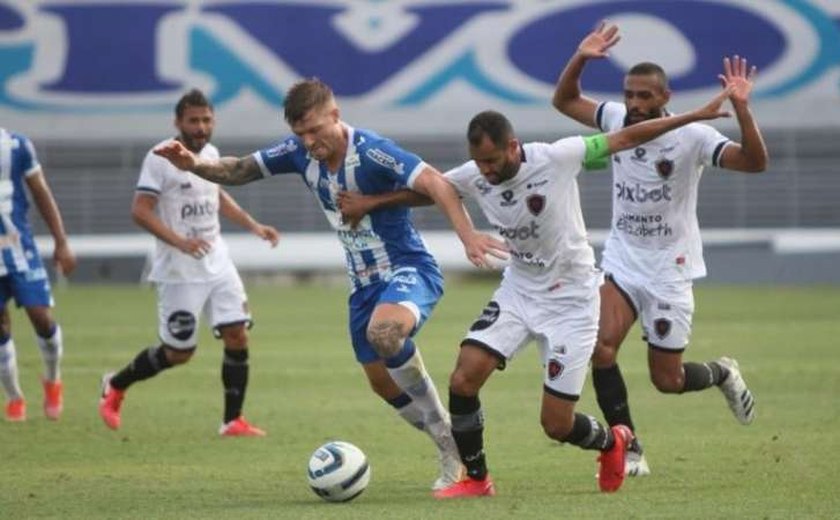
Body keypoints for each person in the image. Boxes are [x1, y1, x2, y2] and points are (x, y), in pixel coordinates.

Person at [337, 86, 737, 497]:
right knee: (464, 377)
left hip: (574, 301)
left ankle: (612, 442)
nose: (485, 172)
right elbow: (430, 190)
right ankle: (476, 479)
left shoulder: (557, 156)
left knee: (557, 424)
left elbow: (628, 137)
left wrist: (691, 117)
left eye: (492, 161)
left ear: (513, 146)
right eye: (479, 163)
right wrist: (371, 203)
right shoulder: (477, 174)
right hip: (520, 290)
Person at [152, 79, 507, 489]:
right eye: (300, 134)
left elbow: (435, 183)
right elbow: (240, 169)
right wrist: (193, 165)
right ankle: (444, 439)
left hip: (407, 267)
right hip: (362, 286)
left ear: (335, 116)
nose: (308, 141)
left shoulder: (372, 151)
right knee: (381, 383)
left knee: (385, 334)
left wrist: (467, 235)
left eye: (315, 130)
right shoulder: (300, 153)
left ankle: (448, 437)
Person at [552, 22, 767, 475]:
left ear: (664, 98)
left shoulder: (693, 136)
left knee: (667, 380)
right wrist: (581, 57)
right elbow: (565, 100)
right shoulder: (614, 120)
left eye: (644, 97)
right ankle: (628, 448)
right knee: (601, 349)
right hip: (624, 260)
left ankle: (723, 373)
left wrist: (743, 110)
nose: (634, 104)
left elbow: (753, 162)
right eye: (629, 94)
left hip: (671, 266)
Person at [98, 89, 280, 436]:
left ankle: (232, 421)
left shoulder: (210, 154)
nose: (201, 127)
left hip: (218, 261)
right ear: (178, 122)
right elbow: (140, 211)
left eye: (206, 119)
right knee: (179, 352)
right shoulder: (160, 157)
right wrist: (180, 242)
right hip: (179, 270)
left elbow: (216, 195)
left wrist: (253, 225)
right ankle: (115, 384)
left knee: (237, 334)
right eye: (193, 120)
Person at [0, 128, 76, 422]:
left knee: (41, 317)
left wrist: (61, 241)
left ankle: (53, 380)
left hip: (19, 249)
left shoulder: (17, 146)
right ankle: (15, 397)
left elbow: (41, 191)